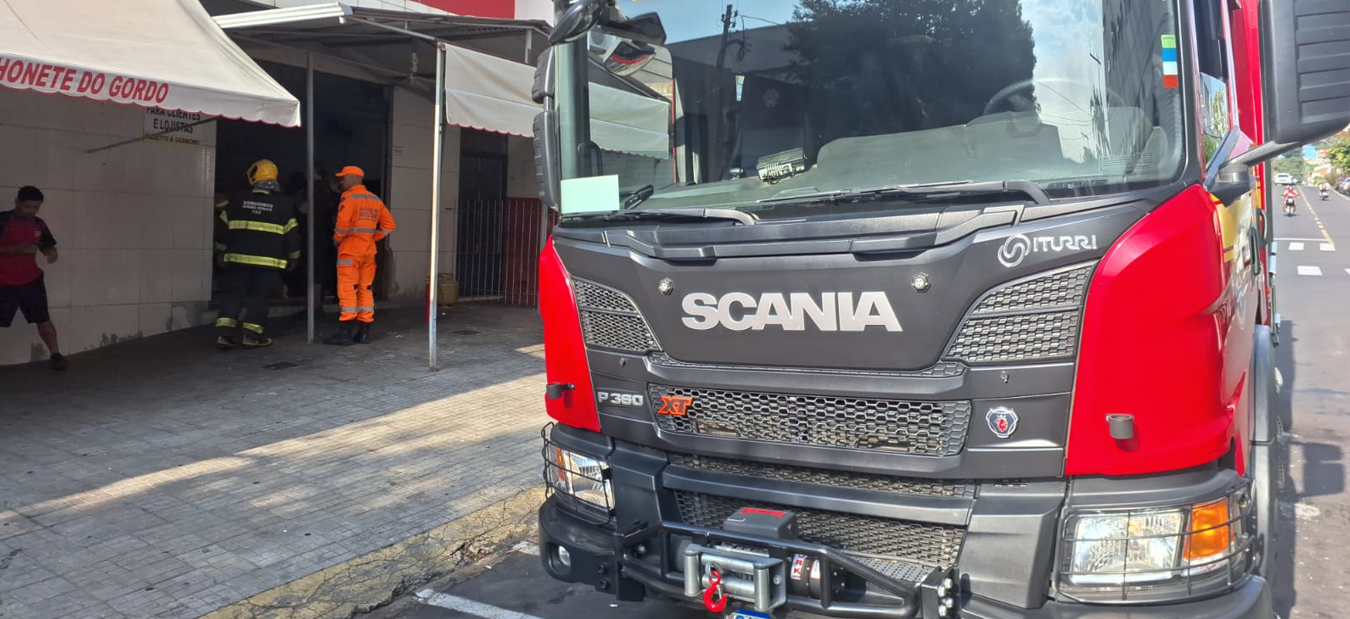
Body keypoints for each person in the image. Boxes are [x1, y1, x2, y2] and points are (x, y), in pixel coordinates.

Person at [214, 160, 301, 349]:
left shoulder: (236, 200)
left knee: (234, 295)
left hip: (237, 261)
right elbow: (292, 235)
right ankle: (251, 336)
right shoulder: (283, 204)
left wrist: (220, 252)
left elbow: (221, 231)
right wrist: (294, 257)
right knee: (259, 297)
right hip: (268, 263)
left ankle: (224, 334)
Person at [324, 166, 395, 346]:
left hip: (350, 250)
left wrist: (337, 239)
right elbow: (389, 224)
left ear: (354, 180)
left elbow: (342, 223)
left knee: (347, 288)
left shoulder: (349, 197)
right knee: (365, 288)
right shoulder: (375, 199)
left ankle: (345, 333)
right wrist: (372, 237)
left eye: (343, 178)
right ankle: (364, 333)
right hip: (368, 251)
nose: (341, 182)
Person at [0, 186, 66, 371]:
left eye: (35, 207)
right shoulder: (2, 220)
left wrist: (51, 251)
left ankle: (56, 355)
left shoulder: (39, 223)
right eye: (27, 206)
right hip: (3, 282)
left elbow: (46, 244)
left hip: (31, 280)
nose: (31, 211)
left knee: (43, 318)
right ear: (17, 202)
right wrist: (17, 249)